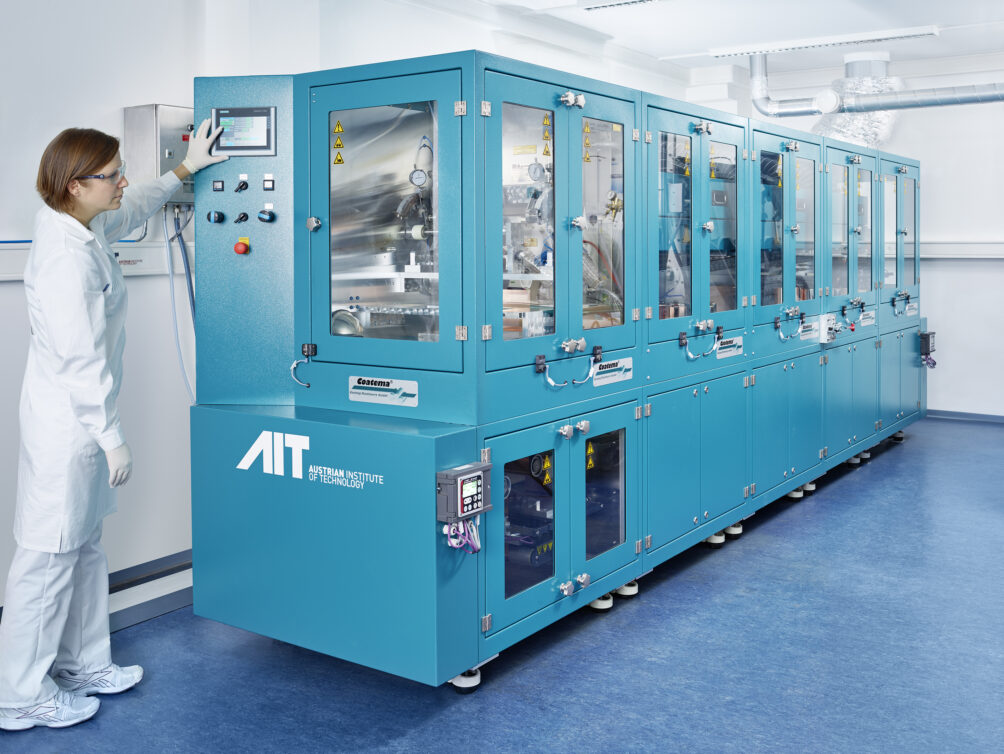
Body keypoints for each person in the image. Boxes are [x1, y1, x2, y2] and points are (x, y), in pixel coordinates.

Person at [0, 120, 227, 731]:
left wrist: (186, 169)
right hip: (69, 427)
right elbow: (81, 362)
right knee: (47, 558)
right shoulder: (62, 262)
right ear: (76, 185)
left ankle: (79, 663)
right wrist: (113, 437)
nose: (123, 181)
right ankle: (18, 693)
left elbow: (134, 209)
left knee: (85, 546)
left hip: (84, 424)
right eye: (111, 175)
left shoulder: (85, 225)